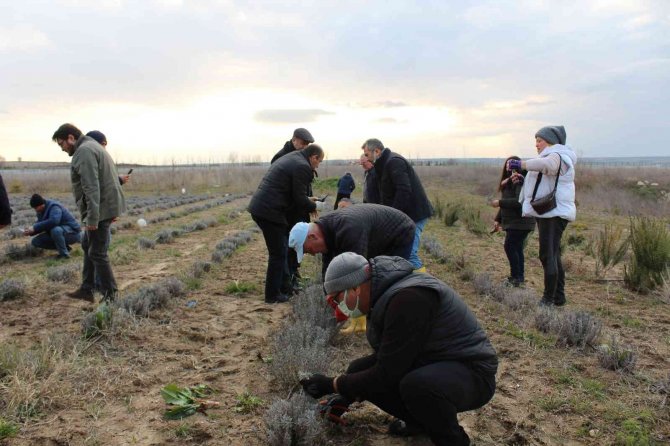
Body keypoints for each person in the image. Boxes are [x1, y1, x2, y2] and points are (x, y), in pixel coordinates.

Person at [300, 253, 498, 446]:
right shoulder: (384, 294)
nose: (339, 307)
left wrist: (332, 384)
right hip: (436, 361)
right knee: (358, 369)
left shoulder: (409, 298)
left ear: (355, 288)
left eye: (337, 299)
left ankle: (452, 439)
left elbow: (386, 373)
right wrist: (345, 397)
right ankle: (422, 422)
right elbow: (390, 359)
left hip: (473, 373)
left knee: (417, 386)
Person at [52, 123, 127, 302]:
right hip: (103, 207)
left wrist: (92, 218)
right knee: (87, 246)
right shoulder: (92, 146)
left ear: (71, 137)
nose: (62, 148)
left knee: (97, 253)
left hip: (100, 209)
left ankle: (111, 296)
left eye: (62, 143)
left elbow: (91, 186)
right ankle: (87, 288)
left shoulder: (84, 151)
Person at [508, 125, 577, 306]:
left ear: (551, 142)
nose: (536, 145)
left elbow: (549, 167)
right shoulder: (553, 155)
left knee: (547, 255)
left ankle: (548, 299)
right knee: (552, 254)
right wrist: (524, 180)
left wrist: (521, 164)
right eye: (536, 141)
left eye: (540, 140)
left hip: (554, 214)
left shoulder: (558, 155)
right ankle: (558, 297)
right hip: (549, 212)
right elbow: (545, 181)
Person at [248, 144, 325, 304]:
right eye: (320, 161)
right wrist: (315, 206)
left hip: (265, 208)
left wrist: (306, 200)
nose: (318, 165)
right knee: (278, 253)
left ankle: (283, 288)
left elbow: (293, 193)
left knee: (281, 249)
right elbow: (298, 198)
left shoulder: (294, 158)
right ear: (314, 157)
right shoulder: (303, 166)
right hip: (270, 211)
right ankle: (272, 295)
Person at [288, 203, 415, 281]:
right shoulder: (326, 229)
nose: (314, 254)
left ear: (312, 237)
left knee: (390, 276)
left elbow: (357, 272)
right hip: (375, 235)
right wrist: (329, 293)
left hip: (399, 231)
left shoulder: (348, 230)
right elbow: (328, 267)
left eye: (309, 250)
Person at [362, 138, 433, 271]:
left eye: (367, 154)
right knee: (400, 254)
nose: (366, 158)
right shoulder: (382, 165)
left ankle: (427, 286)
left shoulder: (394, 162)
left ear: (376, 151)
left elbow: (403, 191)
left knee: (410, 255)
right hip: (404, 215)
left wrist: (392, 217)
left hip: (415, 214)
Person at [489, 157, 536, 287]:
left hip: (521, 222)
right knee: (517, 248)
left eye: (514, 166)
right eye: (509, 166)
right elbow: (507, 202)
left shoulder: (519, 180)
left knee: (510, 246)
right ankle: (518, 277)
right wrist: (498, 220)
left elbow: (518, 202)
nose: (511, 169)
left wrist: (499, 202)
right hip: (518, 222)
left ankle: (516, 277)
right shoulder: (510, 181)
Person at [23, 194, 81, 259]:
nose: (35, 210)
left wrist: (35, 227)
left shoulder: (54, 206)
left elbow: (54, 221)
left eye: (36, 208)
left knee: (55, 230)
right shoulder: (40, 210)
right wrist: (31, 231)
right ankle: (65, 248)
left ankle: (64, 255)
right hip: (59, 233)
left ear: (41, 204)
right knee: (36, 242)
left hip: (72, 233)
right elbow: (41, 224)